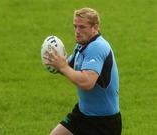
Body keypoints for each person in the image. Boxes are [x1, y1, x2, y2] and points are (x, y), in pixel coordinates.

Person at [45, 7, 122, 135]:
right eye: (75, 27)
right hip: (82, 114)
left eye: (82, 27)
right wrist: (56, 63)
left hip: (103, 123)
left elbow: (87, 82)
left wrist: (63, 67)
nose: (77, 31)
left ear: (95, 27)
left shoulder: (97, 47)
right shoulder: (81, 46)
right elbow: (68, 68)